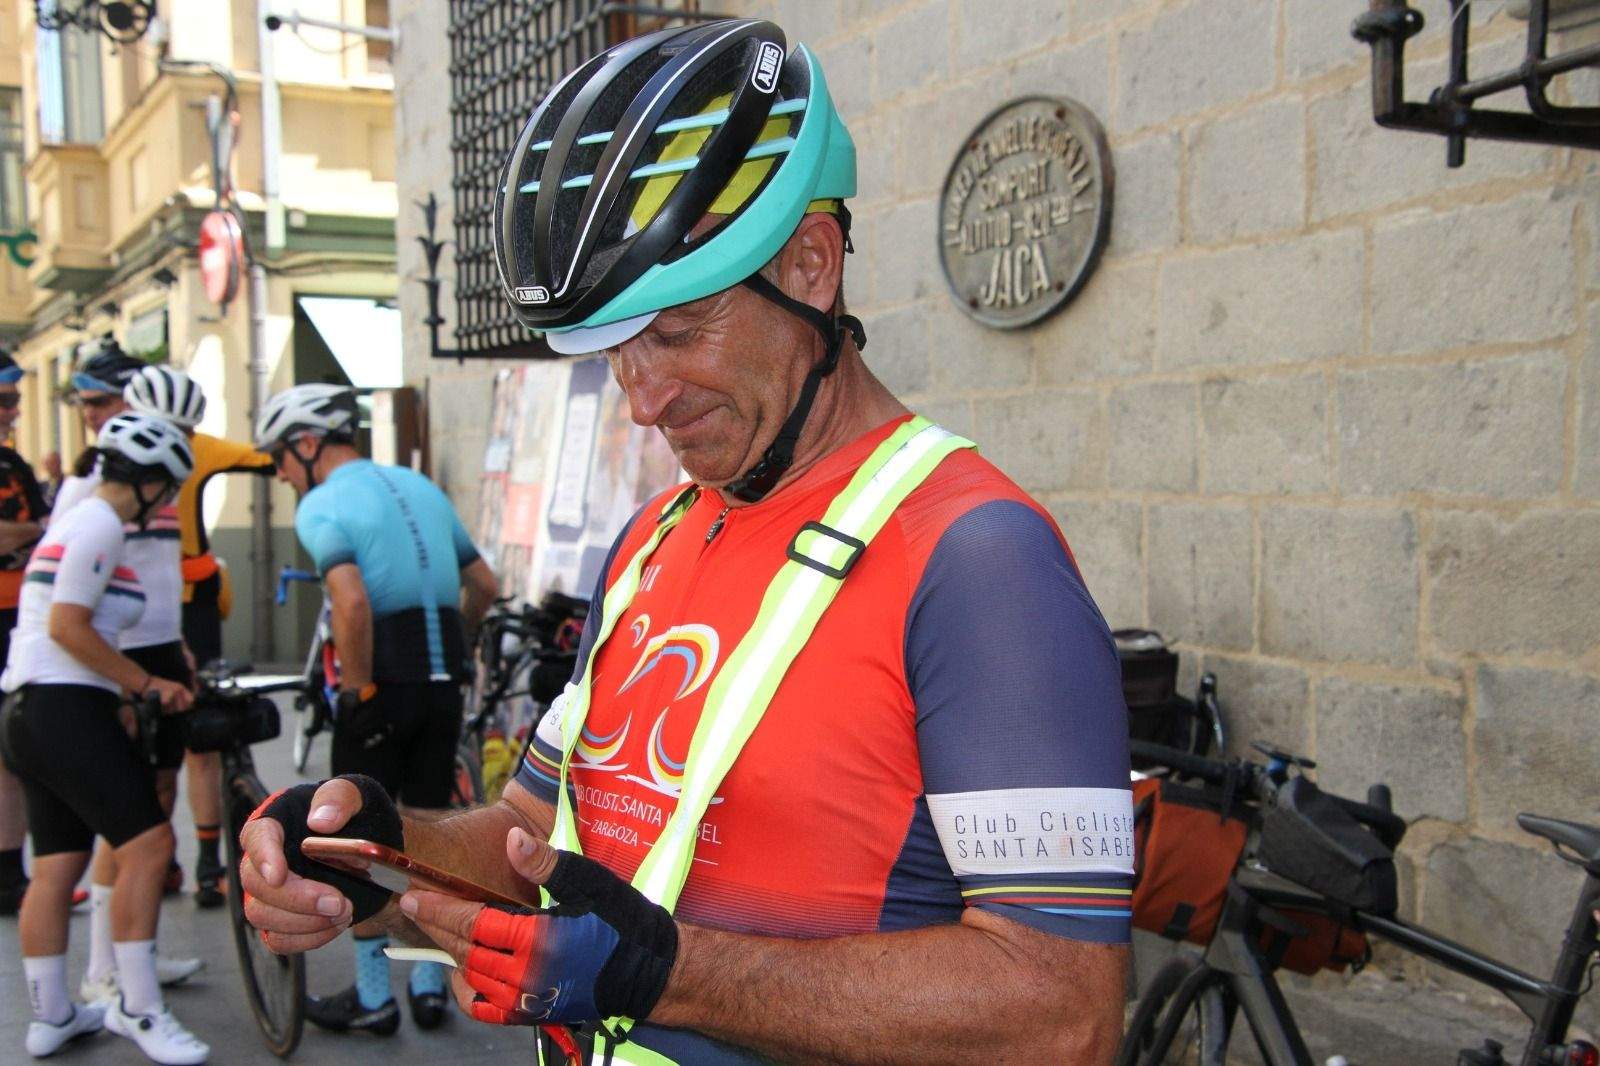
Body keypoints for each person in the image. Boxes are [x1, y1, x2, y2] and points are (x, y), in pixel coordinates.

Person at [241, 19, 1131, 1064]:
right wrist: (382, 856)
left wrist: (672, 978)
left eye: (676, 330)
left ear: (809, 264)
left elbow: (1061, 1010)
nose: (645, 400)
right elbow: (536, 835)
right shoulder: (652, 542)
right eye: (618, 350)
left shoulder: (979, 562)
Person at [251, 383, 498, 1035]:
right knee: (429, 832)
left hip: (382, 678)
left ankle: (371, 996)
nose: (280, 473)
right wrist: (457, 650)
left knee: (350, 843)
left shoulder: (321, 505)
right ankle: (425, 981)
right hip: (442, 675)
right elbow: (485, 586)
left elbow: (352, 602)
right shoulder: (419, 488)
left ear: (306, 445)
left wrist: (357, 691)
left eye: (279, 457)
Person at [0, 413, 208, 1064]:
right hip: (62, 707)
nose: (170, 500)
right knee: (149, 845)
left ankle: (54, 1016)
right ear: (146, 483)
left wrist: (118, 690)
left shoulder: (75, 521)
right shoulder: (100, 524)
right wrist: (147, 684)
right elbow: (68, 627)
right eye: (169, 487)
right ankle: (138, 1010)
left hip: (29, 709)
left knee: (57, 867)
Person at [56, 366, 209, 1004]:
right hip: (118, 657)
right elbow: (67, 587)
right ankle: (102, 969)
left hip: (161, 650)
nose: (172, 448)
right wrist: (117, 676)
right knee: (124, 818)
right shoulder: (91, 487)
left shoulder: (164, 492)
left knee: (161, 793)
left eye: (182, 434)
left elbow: (162, 577)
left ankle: (132, 950)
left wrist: (180, 650)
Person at [130, 365, 274, 908]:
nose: (177, 446)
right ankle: (156, 852)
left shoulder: (205, 449)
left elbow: (268, 458)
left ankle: (208, 861)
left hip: (192, 608)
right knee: (146, 743)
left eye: (185, 434)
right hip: (138, 610)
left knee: (201, 737)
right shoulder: (116, 460)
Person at [0, 349, 48, 915]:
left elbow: (39, 530)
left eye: (15, 400)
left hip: (21, 621)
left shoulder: (14, 465)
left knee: (11, 755)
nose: (12, 410)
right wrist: (27, 530)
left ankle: (11, 876)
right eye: (4, 400)